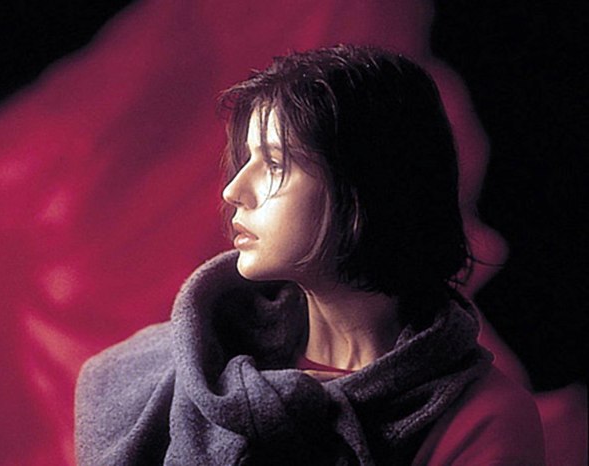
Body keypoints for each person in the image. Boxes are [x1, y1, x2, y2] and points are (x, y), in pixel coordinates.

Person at [75, 44, 545, 465]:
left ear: (365, 186)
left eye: (274, 164)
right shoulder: (157, 370)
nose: (234, 190)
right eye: (246, 160)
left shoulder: (483, 421)